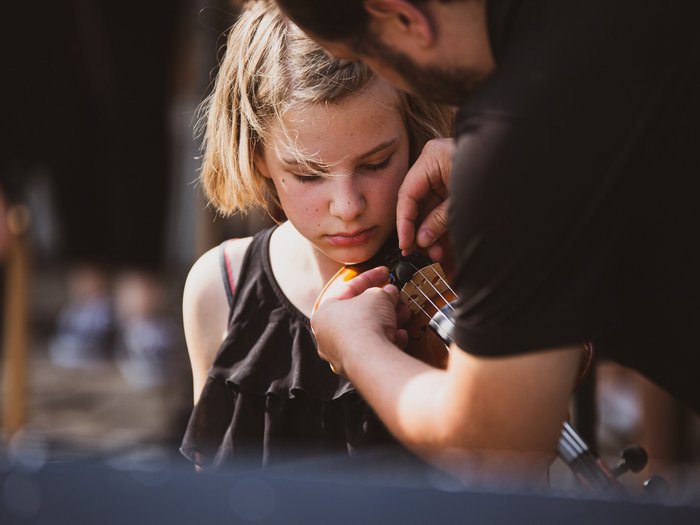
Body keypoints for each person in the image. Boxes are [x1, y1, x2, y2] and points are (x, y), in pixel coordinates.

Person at [273, 0, 700, 482]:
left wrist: (357, 348)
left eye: (368, 58)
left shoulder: (517, 136)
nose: (348, 206)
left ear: (403, 15)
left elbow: (496, 447)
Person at [179, 0, 453, 470]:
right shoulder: (218, 287)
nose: (347, 207)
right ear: (257, 152)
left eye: (375, 163)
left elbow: (511, 469)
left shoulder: (457, 263)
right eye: (307, 175)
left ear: (413, 132)